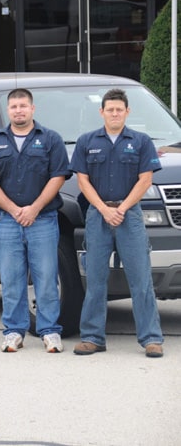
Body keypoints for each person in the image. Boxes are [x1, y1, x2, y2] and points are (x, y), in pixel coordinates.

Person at [69, 88, 164, 358]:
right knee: (96, 279)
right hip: (98, 216)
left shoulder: (141, 141)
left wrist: (121, 208)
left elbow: (146, 180)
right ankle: (92, 337)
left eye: (119, 110)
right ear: (102, 112)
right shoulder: (87, 141)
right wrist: (102, 209)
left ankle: (151, 339)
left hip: (129, 215)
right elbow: (82, 181)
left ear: (127, 112)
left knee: (141, 279)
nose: (114, 113)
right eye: (109, 109)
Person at [0, 88, 71, 353]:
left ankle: (50, 331)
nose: (19, 110)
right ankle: (14, 331)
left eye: (23, 106)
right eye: (14, 106)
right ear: (8, 110)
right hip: (6, 221)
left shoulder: (50, 139)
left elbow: (58, 177)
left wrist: (34, 208)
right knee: (11, 279)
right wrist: (15, 209)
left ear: (32, 109)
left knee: (46, 278)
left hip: (43, 220)